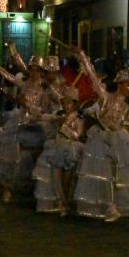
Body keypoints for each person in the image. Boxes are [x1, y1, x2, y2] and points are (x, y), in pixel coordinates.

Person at [69, 46, 129, 222]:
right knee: (102, 173)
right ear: (119, 84)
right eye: (127, 84)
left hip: (117, 138)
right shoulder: (105, 97)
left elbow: (128, 124)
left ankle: (115, 205)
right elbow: (93, 77)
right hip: (100, 138)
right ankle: (107, 206)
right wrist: (82, 57)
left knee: (119, 174)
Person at [0, 46, 51, 203]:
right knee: (13, 152)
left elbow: (47, 107)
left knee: (37, 154)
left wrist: (30, 107)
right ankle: (8, 188)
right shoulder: (24, 83)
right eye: (32, 69)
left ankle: (36, 185)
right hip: (20, 121)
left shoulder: (46, 87)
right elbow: (6, 74)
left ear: (42, 71)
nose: (34, 72)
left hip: (38, 123)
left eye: (37, 69)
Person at [32, 86, 85, 215]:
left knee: (68, 177)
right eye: (64, 102)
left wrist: (65, 127)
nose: (66, 106)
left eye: (69, 103)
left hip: (72, 148)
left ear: (74, 105)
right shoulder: (59, 116)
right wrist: (37, 114)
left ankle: (66, 200)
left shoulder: (78, 119)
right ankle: (62, 202)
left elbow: (78, 135)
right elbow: (43, 117)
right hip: (57, 147)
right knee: (56, 176)